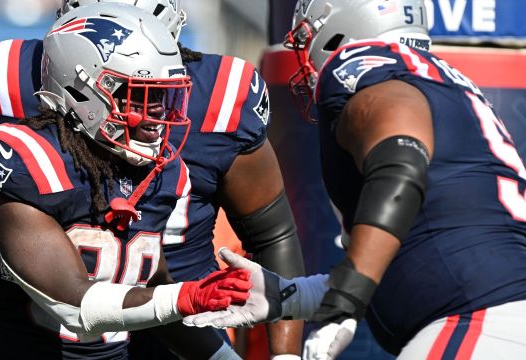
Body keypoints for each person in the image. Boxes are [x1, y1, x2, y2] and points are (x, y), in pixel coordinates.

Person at [0, 0, 307, 358]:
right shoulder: (18, 147)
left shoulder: (169, 164)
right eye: (140, 96)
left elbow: (270, 235)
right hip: (31, 336)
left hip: (166, 329)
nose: (159, 116)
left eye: (167, 96)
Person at [183, 0, 526, 359]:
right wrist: (293, 296)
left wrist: (345, 303)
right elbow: (413, 249)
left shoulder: (362, 63)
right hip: (492, 313)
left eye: (306, 36)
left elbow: (401, 164)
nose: (305, 54)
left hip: (474, 319)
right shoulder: (442, 81)